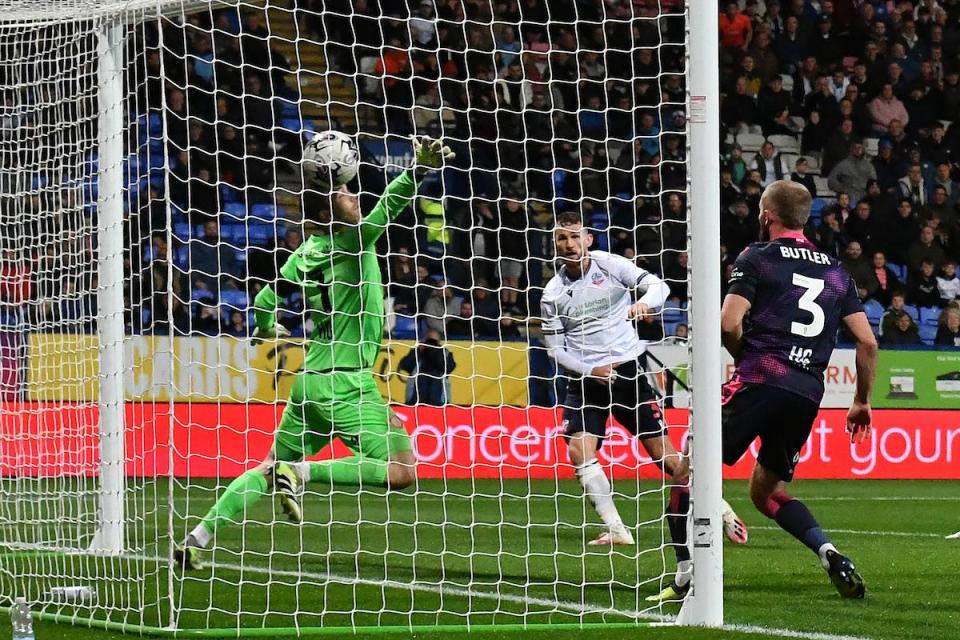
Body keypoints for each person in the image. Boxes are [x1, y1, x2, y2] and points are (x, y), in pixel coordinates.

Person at [174, 136, 455, 569]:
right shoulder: (354, 241)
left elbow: (266, 299)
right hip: (346, 381)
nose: (354, 196)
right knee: (402, 471)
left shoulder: (302, 255)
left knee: (267, 466)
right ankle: (302, 473)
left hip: (308, 383)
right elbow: (390, 206)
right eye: (345, 194)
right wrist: (419, 169)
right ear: (330, 212)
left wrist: (269, 327)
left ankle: (197, 537)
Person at [660, 181, 876, 602]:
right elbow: (867, 342)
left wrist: (748, 358)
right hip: (806, 393)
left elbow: (727, 323)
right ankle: (828, 552)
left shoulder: (756, 257)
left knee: (687, 470)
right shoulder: (835, 270)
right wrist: (861, 401)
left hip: (759, 378)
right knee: (766, 492)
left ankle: (686, 574)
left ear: (766, 215)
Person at [540, 211, 747, 565]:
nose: (570, 244)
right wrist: (591, 368)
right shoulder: (553, 294)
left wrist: (643, 303)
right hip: (585, 382)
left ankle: (721, 508)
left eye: (576, 236)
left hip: (629, 375)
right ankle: (616, 528)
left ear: (589, 238)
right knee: (578, 451)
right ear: (554, 245)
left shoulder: (610, 265)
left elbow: (660, 287)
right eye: (562, 239)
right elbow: (555, 349)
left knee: (666, 459)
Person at [398, 329, 457, 405]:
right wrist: (418, 350)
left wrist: (437, 352)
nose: (431, 344)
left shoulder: (444, 353)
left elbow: (448, 368)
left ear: (439, 341)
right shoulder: (417, 352)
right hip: (415, 400)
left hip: (439, 401)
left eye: (433, 341)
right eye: (429, 340)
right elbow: (404, 365)